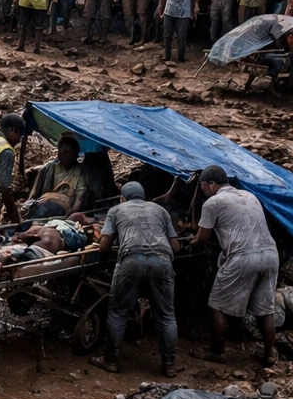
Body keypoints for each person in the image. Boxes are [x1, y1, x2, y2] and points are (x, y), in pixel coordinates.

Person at [89, 181, 180, 377]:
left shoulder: (116, 210)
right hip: (163, 261)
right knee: (166, 316)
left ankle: (110, 360)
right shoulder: (160, 210)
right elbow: (176, 247)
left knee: (118, 313)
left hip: (131, 260)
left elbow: (104, 247)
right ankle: (170, 365)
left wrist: (102, 260)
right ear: (143, 196)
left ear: (123, 198)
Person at [192, 165, 281, 366]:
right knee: (265, 308)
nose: (202, 189)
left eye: (203, 185)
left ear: (211, 184)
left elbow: (202, 240)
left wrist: (193, 240)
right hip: (269, 254)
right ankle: (269, 354)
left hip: (243, 257)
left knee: (216, 304)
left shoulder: (213, 202)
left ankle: (218, 351)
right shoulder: (250, 196)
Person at [28, 133, 87, 217]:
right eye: (65, 151)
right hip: (44, 203)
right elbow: (34, 195)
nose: (68, 155)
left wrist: (69, 215)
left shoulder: (80, 171)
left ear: (76, 153)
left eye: (71, 152)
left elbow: (79, 199)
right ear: (59, 151)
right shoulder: (48, 168)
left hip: (63, 208)